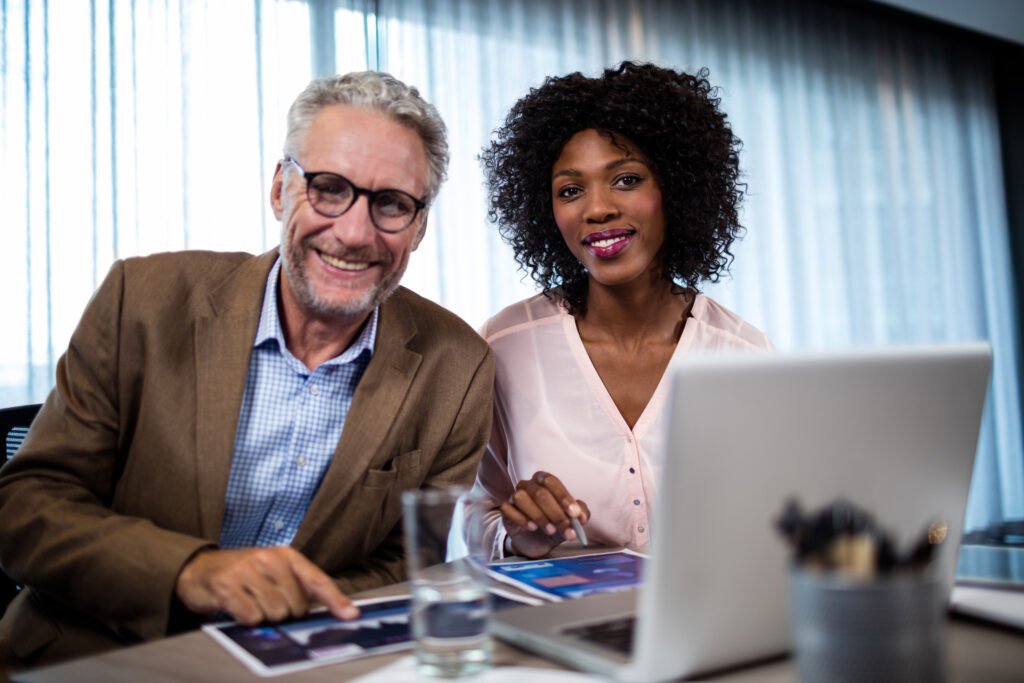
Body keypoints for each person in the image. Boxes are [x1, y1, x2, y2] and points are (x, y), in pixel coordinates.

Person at [0, 71, 494, 671]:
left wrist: (298, 614)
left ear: (418, 226)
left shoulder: (460, 367)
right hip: (97, 652)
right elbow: (26, 508)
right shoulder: (143, 300)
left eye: (391, 204)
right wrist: (191, 573)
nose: (355, 232)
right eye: (329, 188)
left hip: (308, 660)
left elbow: (406, 560)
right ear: (280, 189)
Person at [473, 62, 771, 560]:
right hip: (557, 629)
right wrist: (514, 535)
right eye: (571, 190)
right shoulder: (504, 348)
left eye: (626, 179)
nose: (597, 209)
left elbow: (776, 521)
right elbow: (470, 511)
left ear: (674, 188)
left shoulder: (743, 353)